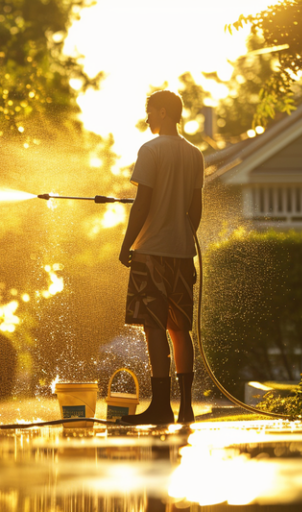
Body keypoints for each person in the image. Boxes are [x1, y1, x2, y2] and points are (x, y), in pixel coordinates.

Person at [118, 90, 204, 425]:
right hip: (182, 255)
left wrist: (127, 244)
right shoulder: (194, 154)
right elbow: (194, 208)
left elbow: (142, 202)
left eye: (150, 112)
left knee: (154, 327)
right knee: (180, 329)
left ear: (164, 112)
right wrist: (184, 240)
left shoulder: (150, 150)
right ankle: (185, 408)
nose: (148, 118)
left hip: (151, 252)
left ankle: (160, 406)